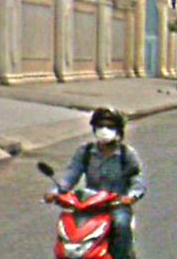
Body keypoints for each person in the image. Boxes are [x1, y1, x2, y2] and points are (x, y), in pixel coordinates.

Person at [44, 106, 146, 259]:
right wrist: (55, 192)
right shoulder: (85, 152)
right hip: (88, 204)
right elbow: (71, 176)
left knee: (121, 224)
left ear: (118, 131)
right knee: (68, 224)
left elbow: (137, 180)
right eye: (100, 126)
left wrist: (131, 196)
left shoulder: (127, 154)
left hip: (115, 205)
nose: (104, 130)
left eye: (110, 127)